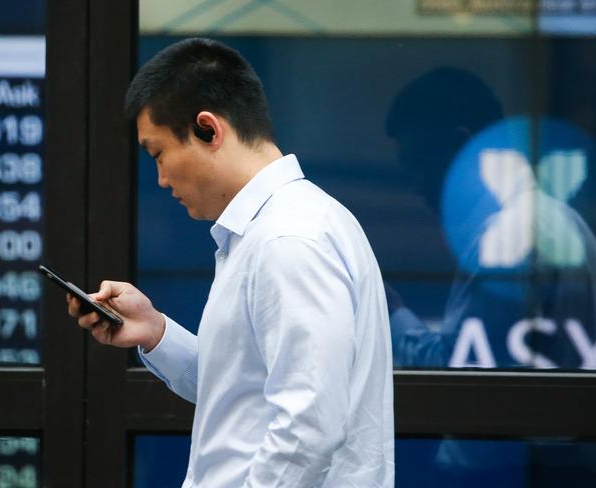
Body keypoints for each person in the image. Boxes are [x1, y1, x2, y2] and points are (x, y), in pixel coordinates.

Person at [67, 38, 394, 487]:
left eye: (158, 153)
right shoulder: (277, 228)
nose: (161, 179)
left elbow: (308, 425)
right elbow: (246, 396)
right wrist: (158, 333)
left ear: (208, 129)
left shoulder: (287, 238)